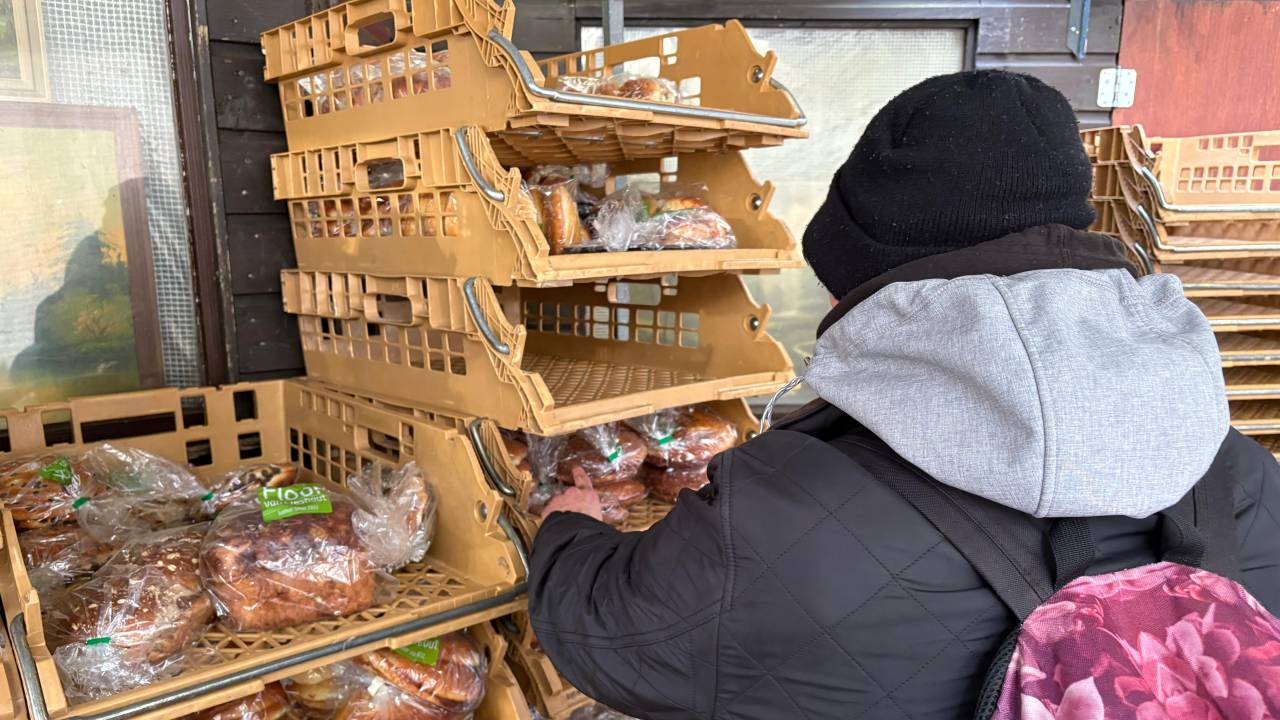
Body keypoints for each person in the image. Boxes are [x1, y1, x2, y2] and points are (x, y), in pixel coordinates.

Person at [527, 70, 1280, 719]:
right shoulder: (1245, 478)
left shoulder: (773, 513)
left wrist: (569, 531)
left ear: (867, 284)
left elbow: (606, 635)